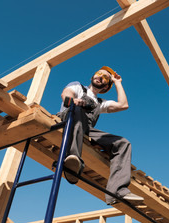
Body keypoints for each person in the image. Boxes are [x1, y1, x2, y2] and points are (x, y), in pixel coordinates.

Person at [56, 66, 144, 205]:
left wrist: (117, 82)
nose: (99, 76)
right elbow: (66, 95)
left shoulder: (100, 103)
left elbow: (123, 105)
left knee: (123, 143)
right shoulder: (78, 87)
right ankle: (72, 160)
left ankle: (117, 191)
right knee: (77, 111)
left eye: (105, 77)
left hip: (86, 130)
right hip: (69, 119)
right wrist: (74, 101)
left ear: (106, 86)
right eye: (98, 73)